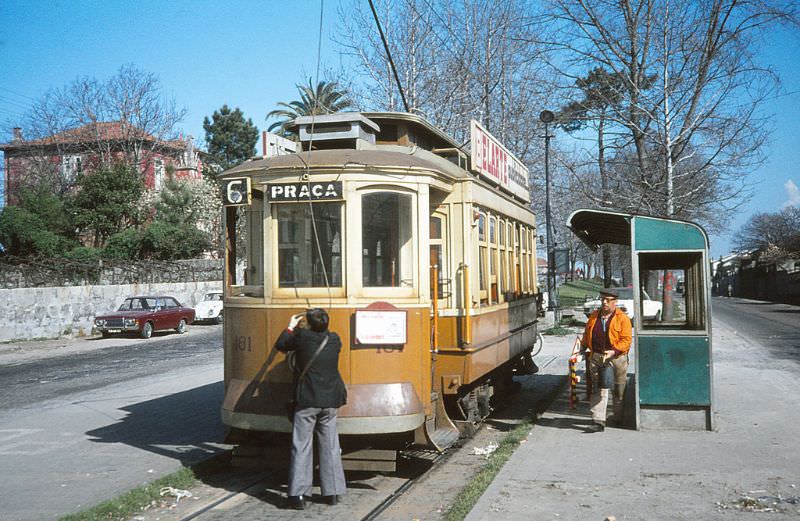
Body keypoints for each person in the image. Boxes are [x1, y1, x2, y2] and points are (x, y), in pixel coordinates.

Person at [275, 308, 347, 509]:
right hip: (331, 400)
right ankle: (332, 493)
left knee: (301, 445)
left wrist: (291, 326)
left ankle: (298, 496)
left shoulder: (301, 338)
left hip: (307, 401)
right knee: (331, 445)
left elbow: (281, 345)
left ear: (309, 324)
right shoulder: (335, 340)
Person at [580, 288, 632, 432]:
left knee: (618, 388)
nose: (604, 303)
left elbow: (626, 340)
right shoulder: (593, 316)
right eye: (603, 299)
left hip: (617, 357)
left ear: (615, 302)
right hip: (597, 357)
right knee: (598, 388)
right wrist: (581, 348)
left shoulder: (623, 318)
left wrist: (614, 351)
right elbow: (586, 334)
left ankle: (618, 417)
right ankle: (598, 421)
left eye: (608, 300)